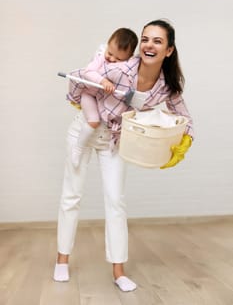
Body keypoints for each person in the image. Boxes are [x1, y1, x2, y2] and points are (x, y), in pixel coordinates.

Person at [54, 19, 194, 292]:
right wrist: (83, 91)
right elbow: (78, 76)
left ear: (169, 51)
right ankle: (62, 259)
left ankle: (118, 271)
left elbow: (186, 118)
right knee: (71, 195)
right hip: (83, 131)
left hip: (115, 142)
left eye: (157, 41)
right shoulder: (120, 67)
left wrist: (184, 141)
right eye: (145, 39)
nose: (148, 45)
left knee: (116, 201)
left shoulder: (167, 86)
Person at [70, 28, 138, 167]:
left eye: (118, 58)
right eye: (110, 53)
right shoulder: (101, 56)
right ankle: (78, 149)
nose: (112, 59)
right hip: (89, 93)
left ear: (129, 57)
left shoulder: (128, 67)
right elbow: (88, 72)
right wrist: (103, 81)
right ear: (107, 45)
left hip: (104, 99)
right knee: (94, 121)